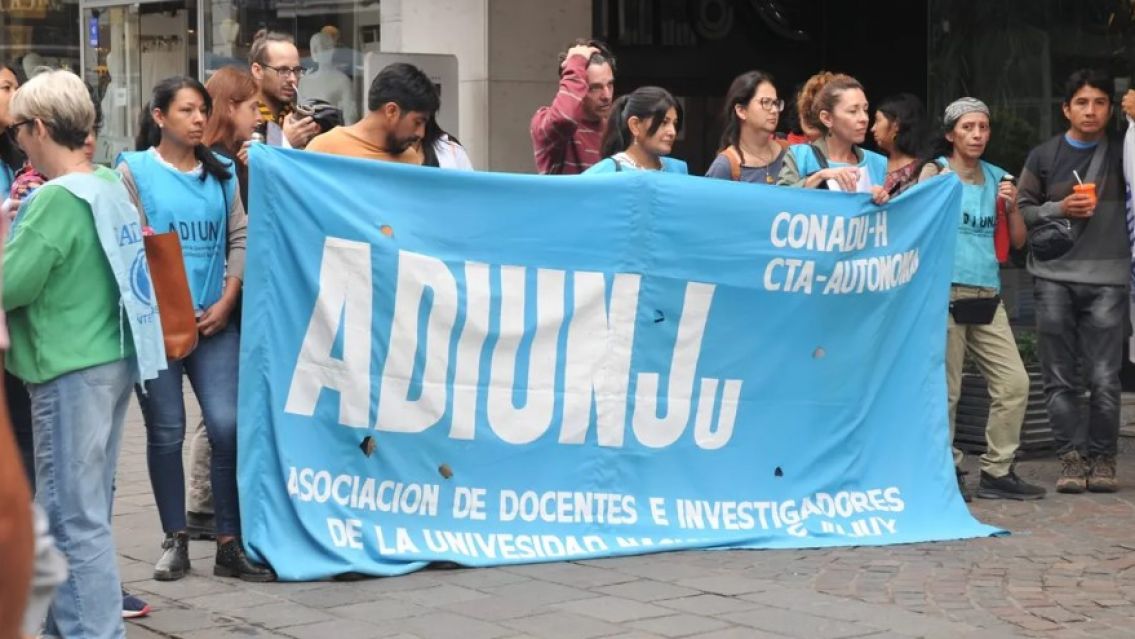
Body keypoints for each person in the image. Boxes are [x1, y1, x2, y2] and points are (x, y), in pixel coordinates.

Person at [4, 68, 165, 638]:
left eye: (20, 129)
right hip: (113, 359)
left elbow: (10, 285)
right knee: (84, 510)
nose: (16, 139)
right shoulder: (104, 182)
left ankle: (92, 631)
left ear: (41, 128)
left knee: (72, 518)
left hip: (68, 369)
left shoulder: (53, 200)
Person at [117, 76, 275, 582]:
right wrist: (151, 310)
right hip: (158, 325)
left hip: (214, 321)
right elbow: (128, 249)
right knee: (166, 431)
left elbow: (241, 235)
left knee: (226, 426)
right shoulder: (133, 170)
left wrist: (229, 298)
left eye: (203, 110)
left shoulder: (223, 170)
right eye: (187, 110)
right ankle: (175, 538)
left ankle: (229, 543)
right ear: (159, 116)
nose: (199, 118)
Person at [918, 98, 1045, 502]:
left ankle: (997, 470)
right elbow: (916, 221)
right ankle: (947, 469)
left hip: (988, 293)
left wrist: (1010, 208)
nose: (977, 135)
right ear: (951, 133)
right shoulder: (936, 172)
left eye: (983, 128)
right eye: (968, 127)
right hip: (944, 293)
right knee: (947, 391)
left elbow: (1020, 241)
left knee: (1014, 383)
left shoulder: (999, 177)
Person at [1018, 69, 1129, 494]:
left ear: (1109, 108)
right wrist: (1059, 208)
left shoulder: (1124, 154)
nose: (1090, 110)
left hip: (1107, 279)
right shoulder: (1044, 156)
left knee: (1104, 377)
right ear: (1066, 109)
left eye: (1099, 102)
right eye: (1081, 102)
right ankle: (1070, 457)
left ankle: (1103, 460)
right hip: (1053, 278)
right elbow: (1023, 211)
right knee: (1059, 375)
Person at [777, 72, 889, 205]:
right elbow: (780, 201)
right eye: (853, 111)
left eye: (865, 110)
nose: (864, 118)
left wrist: (882, 200)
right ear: (827, 118)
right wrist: (820, 176)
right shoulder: (800, 156)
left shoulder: (879, 163)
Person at [307, 62, 437, 164]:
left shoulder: (410, 160)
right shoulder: (325, 149)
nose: (421, 133)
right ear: (391, 111)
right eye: (418, 122)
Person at [530, 39, 616, 174]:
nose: (607, 95)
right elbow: (563, 118)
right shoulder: (544, 121)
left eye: (610, 85)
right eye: (594, 88)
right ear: (576, 85)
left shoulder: (616, 128)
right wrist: (577, 62)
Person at [583, 86, 686, 174]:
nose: (672, 132)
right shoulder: (605, 172)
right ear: (635, 125)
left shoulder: (678, 169)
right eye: (664, 122)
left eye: (674, 123)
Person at [705, 70, 786, 183]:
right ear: (741, 111)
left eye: (776, 103)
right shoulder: (725, 166)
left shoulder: (788, 153)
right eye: (765, 102)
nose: (774, 110)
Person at [249, 29, 319, 149]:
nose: (293, 79)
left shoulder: (295, 117)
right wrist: (286, 142)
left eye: (296, 70)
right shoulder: (243, 116)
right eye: (282, 70)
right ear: (258, 71)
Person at [205, 65, 263, 209]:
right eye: (253, 108)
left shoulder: (207, 155)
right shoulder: (224, 163)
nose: (259, 117)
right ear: (230, 107)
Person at [873, 93, 929, 196]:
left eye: (878, 121)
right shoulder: (872, 165)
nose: (873, 129)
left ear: (896, 125)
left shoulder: (924, 171)